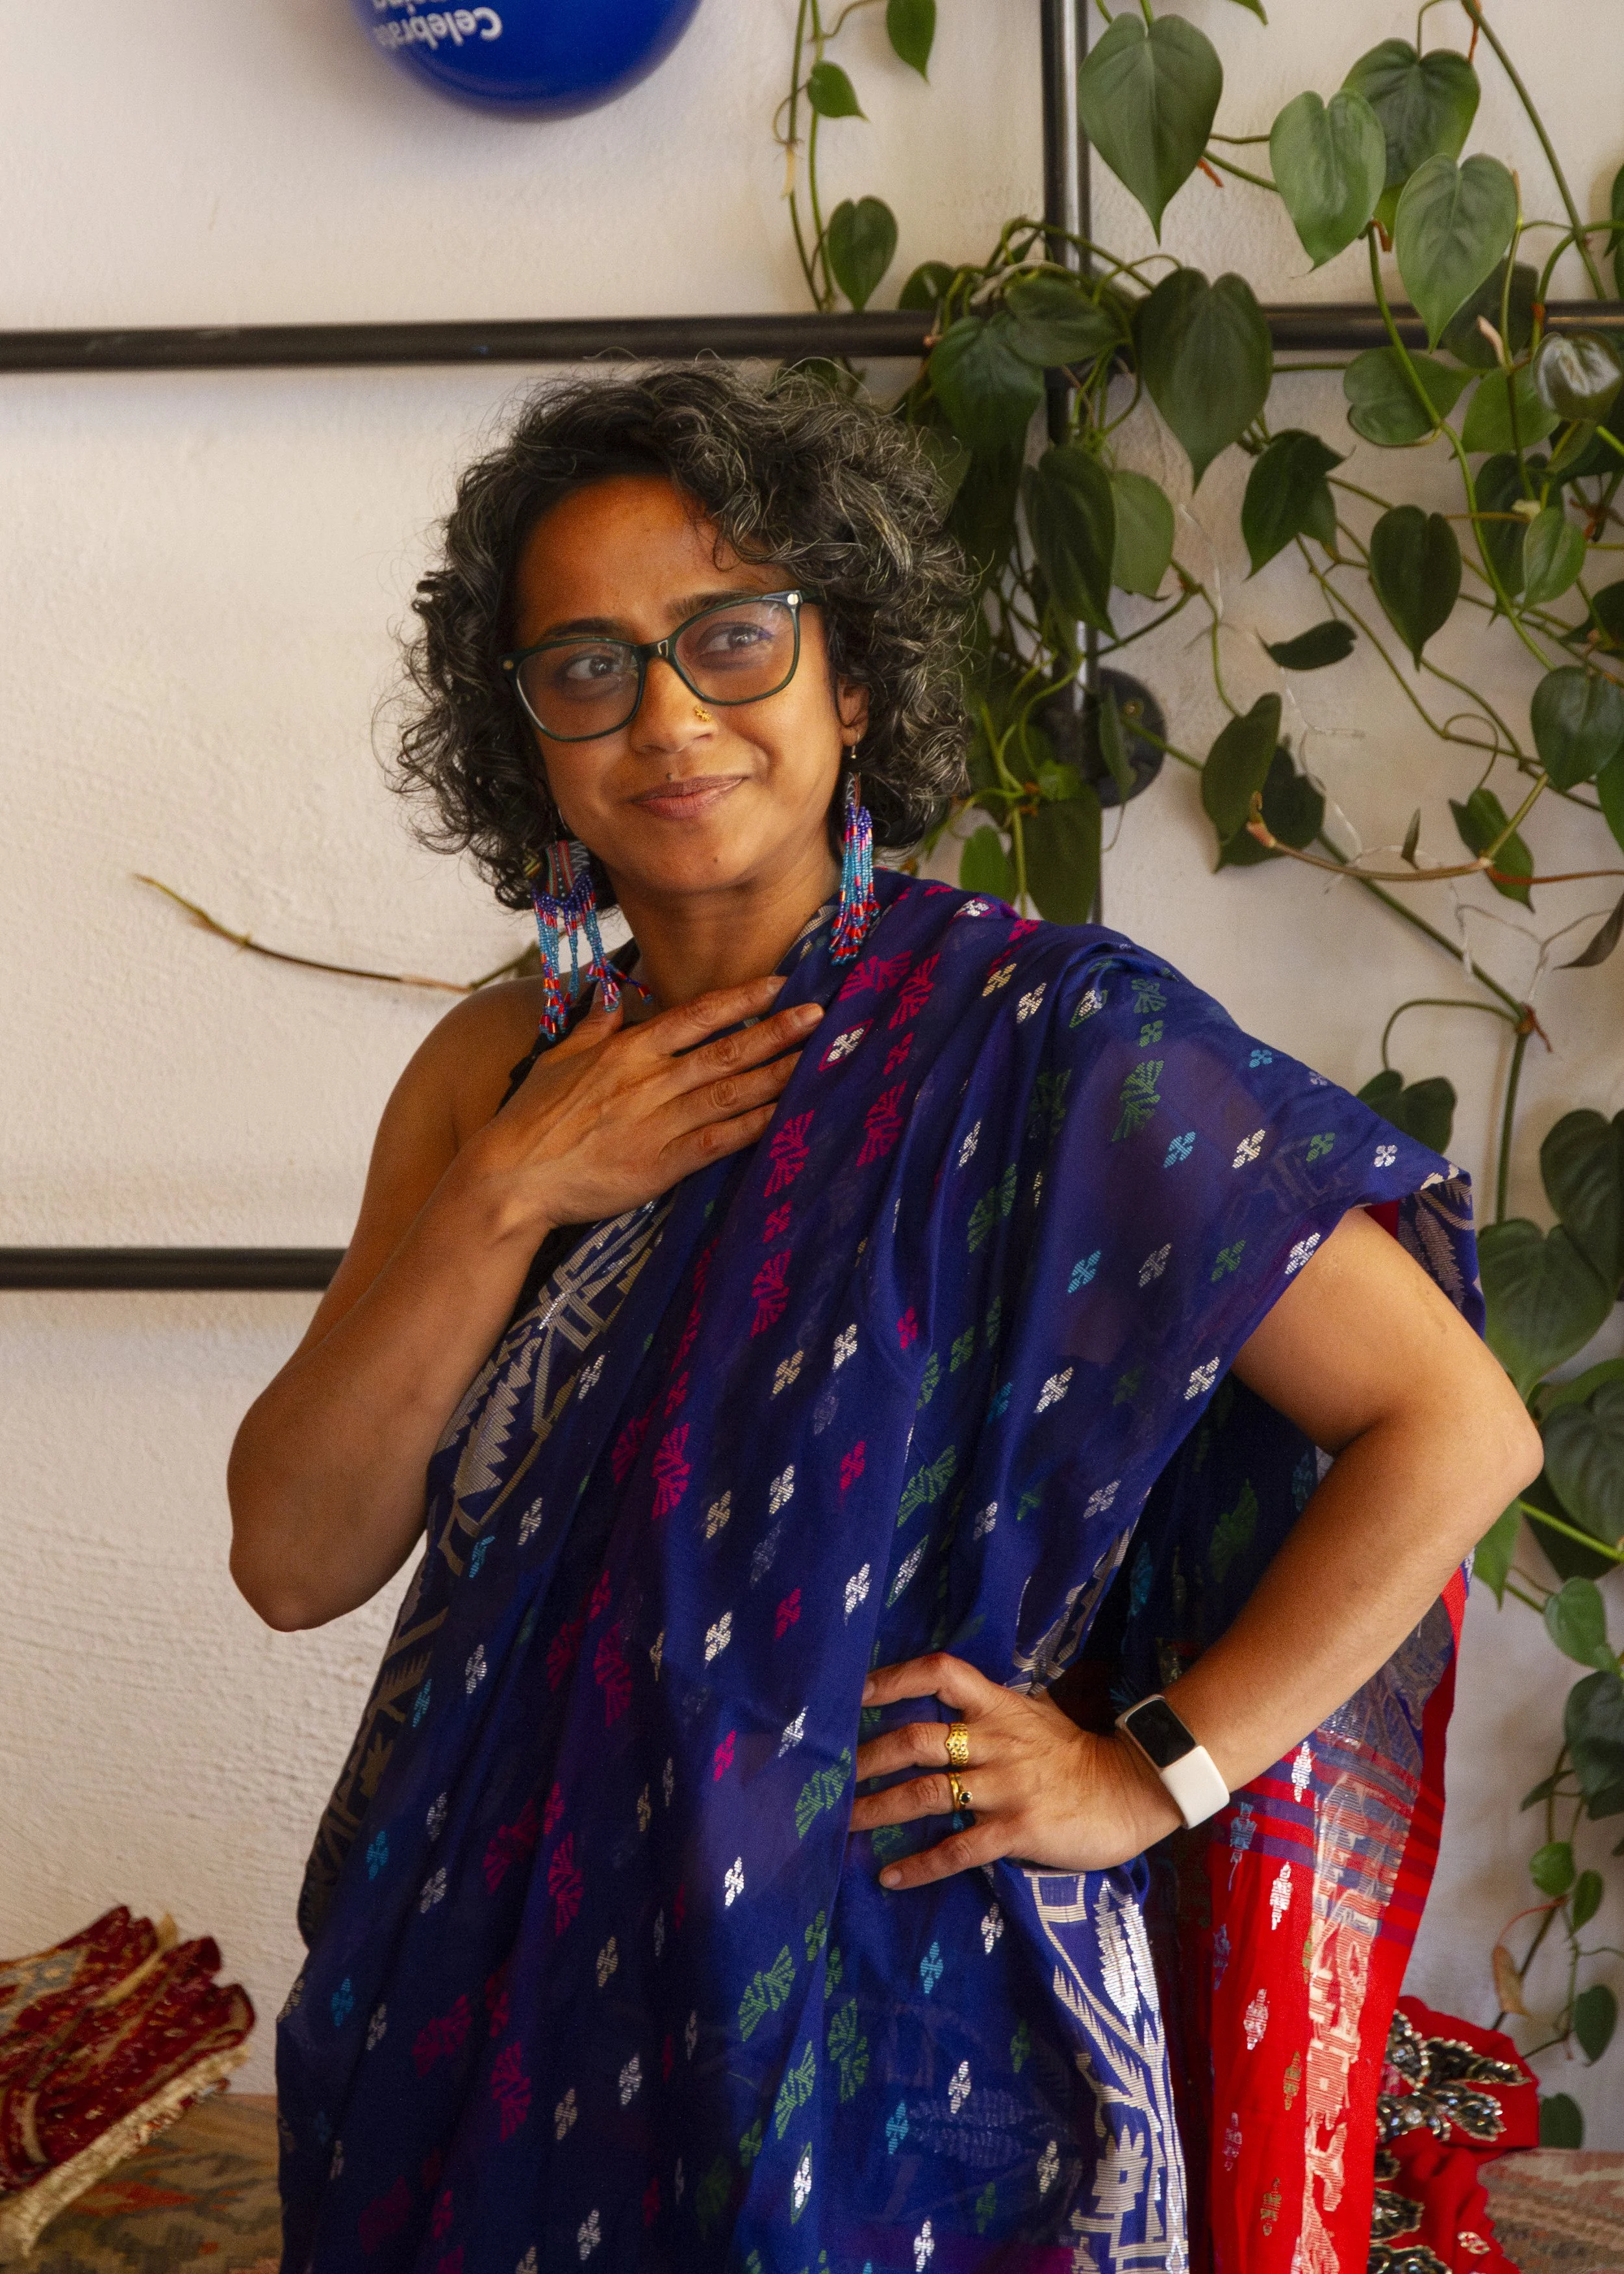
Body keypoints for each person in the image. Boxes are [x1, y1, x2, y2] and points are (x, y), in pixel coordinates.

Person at [229, 363, 1540, 2274]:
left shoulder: (1052, 1043)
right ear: (525, 738)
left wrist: (1149, 1767)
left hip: (884, 2032)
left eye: (729, 640)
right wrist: (513, 1187)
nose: (668, 712)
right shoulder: (484, 1072)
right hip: (470, 2004)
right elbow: (292, 1548)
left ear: (848, 681)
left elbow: (1460, 1425)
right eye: (585, 666)